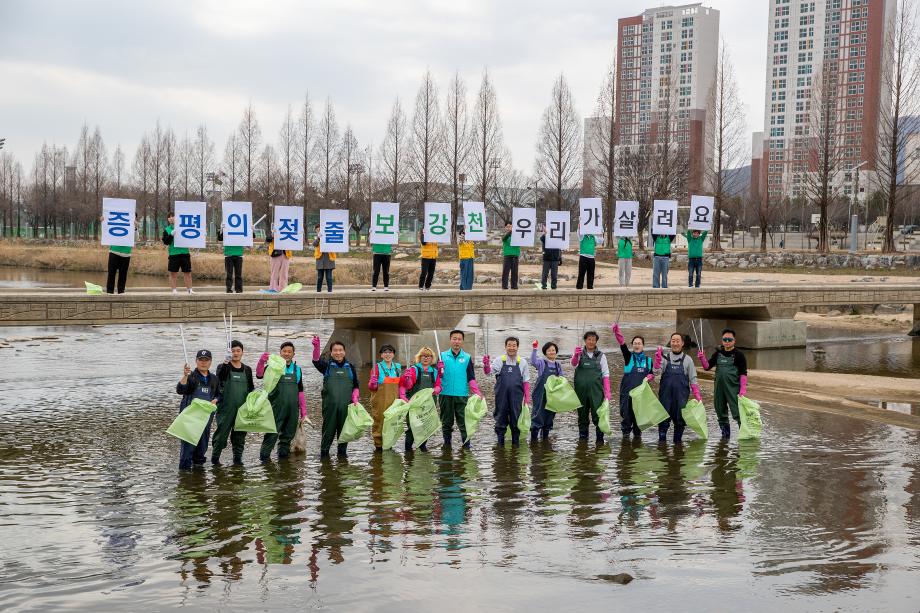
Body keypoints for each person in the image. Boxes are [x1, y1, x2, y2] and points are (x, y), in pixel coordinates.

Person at [256, 341, 306, 461]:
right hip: (275, 408)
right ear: (280, 353)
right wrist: (262, 362)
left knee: (287, 437)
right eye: (284, 351)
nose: (286, 354)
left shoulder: (297, 369)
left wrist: (304, 412)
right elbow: (259, 375)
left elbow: (300, 391)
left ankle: (283, 462)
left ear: (294, 354)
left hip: (293, 410)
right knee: (271, 434)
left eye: (289, 352)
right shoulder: (272, 367)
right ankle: (264, 461)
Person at [312, 336, 360, 458]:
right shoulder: (326, 366)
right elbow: (316, 361)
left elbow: (356, 386)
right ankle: (324, 456)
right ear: (331, 352)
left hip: (346, 408)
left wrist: (355, 397)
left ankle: (342, 458)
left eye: (340, 350)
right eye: (335, 350)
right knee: (328, 433)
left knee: (344, 434)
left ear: (344, 352)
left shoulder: (351, 367)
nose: (338, 352)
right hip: (330, 408)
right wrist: (316, 347)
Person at [698, 328, 748, 439]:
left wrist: (742, 389)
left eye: (730, 339)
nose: (727, 341)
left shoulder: (739, 355)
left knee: (738, 413)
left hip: (733, 389)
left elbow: (743, 373)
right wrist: (702, 358)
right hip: (719, 389)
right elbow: (707, 367)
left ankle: (744, 436)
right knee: (720, 412)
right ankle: (725, 437)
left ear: (734, 341)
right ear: (722, 340)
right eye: (725, 339)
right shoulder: (718, 354)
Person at [437, 329, 483, 448]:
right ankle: (447, 444)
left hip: (461, 395)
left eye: (459, 339)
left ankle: (466, 443)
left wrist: (476, 391)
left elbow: (471, 377)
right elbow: (437, 377)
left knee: (463, 422)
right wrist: (439, 370)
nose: (456, 341)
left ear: (462, 341)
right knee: (446, 422)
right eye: (454, 339)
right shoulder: (441, 356)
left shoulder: (467, 357)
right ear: (450, 340)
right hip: (445, 394)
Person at [653, 333, 702, 443]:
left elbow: (693, 379)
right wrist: (657, 360)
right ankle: (662, 445)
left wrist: (697, 395)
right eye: (673, 341)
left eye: (677, 341)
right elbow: (656, 372)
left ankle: (677, 444)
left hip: (681, 398)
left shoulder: (688, 360)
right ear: (670, 343)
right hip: (665, 396)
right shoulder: (665, 357)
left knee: (680, 421)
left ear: (682, 343)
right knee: (663, 420)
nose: (675, 343)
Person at [212, 340, 254, 465]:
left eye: (238, 351)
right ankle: (215, 460)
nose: (235, 353)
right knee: (221, 436)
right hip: (226, 409)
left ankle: (237, 460)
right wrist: (226, 361)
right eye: (233, 351)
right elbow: (220, 377)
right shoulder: (223, 366)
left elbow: (251, 388)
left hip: (242, 409)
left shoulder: (247, 370)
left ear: (242, 352)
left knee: (240, 437)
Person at [483, 336, 530, 447]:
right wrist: (486, 365)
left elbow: (526, 381)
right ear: (505, 346)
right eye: (509, 345)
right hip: (501, 397)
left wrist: (527, 398)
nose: (511, 348)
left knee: (516, 420)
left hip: (517, 398)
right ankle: (500, 445)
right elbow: (488, 373)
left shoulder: (522, 362)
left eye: (514, 345)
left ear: (517, 347)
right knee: (500, 419)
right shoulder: (499, 360)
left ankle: (515, 444)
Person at [175, 349, 218, 469]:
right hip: (190, 421)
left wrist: (216, 400)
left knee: (201, 450)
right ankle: (184, 478)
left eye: (206, 360)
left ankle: (198, 478)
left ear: (210, 362)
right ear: (196, 361)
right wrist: (184, 376)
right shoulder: (191, 376)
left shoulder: (214, 379)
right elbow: (180, 390)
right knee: (187, 451)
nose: (203, 362)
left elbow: (219, 395)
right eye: (200, 360)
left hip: (205, 420)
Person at [612, 324, 653, 440]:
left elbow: (652, 373)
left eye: (639, 343)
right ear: (632, 345)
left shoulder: (649, 360)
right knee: (627, 417)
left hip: (641, 396)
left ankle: (637, 440)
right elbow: (622, 345)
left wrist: (650, 376)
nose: (637, 345)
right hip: (627, 394)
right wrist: (617, 333)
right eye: (635, 343)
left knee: (638, 419)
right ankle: (625, 442)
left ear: (643, 345)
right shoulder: (629, 357)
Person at [571, 330, 611, 444]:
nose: (591, 342)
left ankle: (599, 439)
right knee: (582, 416)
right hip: (580, 392)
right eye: (589, 339)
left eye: (593, 340)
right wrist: (576, 355)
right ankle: (583, 439)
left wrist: (607, 392)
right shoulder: (578, 354)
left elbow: (606, 374)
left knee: (598, 415)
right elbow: (573, 364)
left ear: (596, 341)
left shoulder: (601, 356)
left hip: (596, 392)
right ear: (585, 340)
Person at [398, 346, 441, 451]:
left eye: (428, 356)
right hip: (414, 404)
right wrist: (407, 379)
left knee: (425, 427)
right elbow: (407, 386)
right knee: (412, 427)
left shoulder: (434, 372)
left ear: (432, 358)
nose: (426, 358)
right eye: (423, 356)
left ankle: (422, 447)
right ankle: (408, 450)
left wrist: (437, 389)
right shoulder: (413, 369)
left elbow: (439, 385)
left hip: (428, 405)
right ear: (419, 357)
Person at [368, 344, 402, 450]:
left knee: (392, 422)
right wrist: (372, 383)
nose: (387, 354)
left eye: (390, 352)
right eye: (385, 352)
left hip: (394, 400)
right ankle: (378, 446)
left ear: (393, 354)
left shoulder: (398, 367)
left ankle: (389, 444)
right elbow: (371, 388)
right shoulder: (376, 367)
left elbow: (401, 385)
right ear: (381, 355)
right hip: (380, 401)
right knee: (380, 421)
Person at [529, 340, 563, 442]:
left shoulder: (558, 365)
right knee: (538, 414)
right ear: (545, 352)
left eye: (553, 350)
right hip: (540, 394)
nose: (552, 352)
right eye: (549, 350)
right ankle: (534, 440)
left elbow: (561, 379)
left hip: (552, 395)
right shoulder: (542, 363)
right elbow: (533, 361)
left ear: (556, 352)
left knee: (549, 415)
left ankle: (545, 439)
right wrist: (535, 349)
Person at [105, 219, 138, 294]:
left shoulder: (133, 227)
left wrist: (135, 227)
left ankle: (121, 293)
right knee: (111, 274)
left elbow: (136, 239)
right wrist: (103, 222)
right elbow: (107, 230)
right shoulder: (117, 221)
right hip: (114, 251)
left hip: (126, 253)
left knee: (123, 275)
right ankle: (109, 293)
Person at [164, 213, 193, 295]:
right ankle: (174, 290)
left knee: (188, 273)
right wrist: (171, 235)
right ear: (168, 219)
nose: (171, 218)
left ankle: (190, 289)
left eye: (173, 216)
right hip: (173, 254)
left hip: (185, 253)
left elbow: (192, 237)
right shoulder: (167, 230)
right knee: (173, 273)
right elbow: (166, 242)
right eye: (169, 217)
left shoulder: (184, 227)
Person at [217, 224, 245, 293]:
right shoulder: (227, 227)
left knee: (238, 274)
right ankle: (228, 289)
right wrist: (221, 229)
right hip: (228, 254)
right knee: (229, 274)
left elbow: (251, 237)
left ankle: (238, 289)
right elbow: (220, 238)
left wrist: (252, 230)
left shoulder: (241, 227)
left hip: (239, 254)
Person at [265, 229, 292, 293]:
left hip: (286, 254)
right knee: (274, 272)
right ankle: (273, 288)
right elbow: (268, 239)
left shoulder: (289, 229)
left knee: (284, 273)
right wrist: (273, 234)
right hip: (275, 254)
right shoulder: (274, 229)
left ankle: (283, 288)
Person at [314, 224, 336, 293]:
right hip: (320, 260)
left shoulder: (329, 237)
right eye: (317, 230)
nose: (319, 231)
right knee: (320, 277)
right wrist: (318, 238)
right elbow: (314, 244)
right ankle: (318, 291)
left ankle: (330, 291)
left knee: (329, 277)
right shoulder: (316, 238)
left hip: (329, 259)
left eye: (319, 230)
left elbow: (334, 244)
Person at [501, 222, 520, 290]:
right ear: (505, 227)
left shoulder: (517, 235)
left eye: (511, 226)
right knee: (506, 272)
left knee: (515, 272)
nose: (509, 228)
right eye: (508, 226)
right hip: (507, 255)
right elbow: (504, 239)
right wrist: (510, 232)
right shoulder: (505, 235)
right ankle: (504, 286)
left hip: (515, 255)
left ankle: (514, 286)